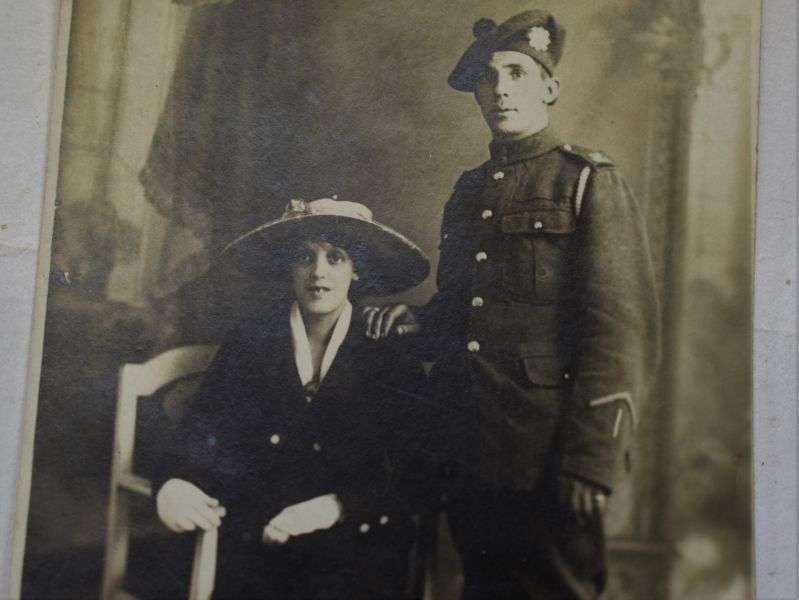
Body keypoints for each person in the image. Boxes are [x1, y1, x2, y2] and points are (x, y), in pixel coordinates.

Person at [366, 9, 660, 600]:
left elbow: (620, 329)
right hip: (469, 443)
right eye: (489, 77)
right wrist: (419, 319)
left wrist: (591, 458)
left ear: (549, 87)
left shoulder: (585, 182)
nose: (501, 89)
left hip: (548, 453)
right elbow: (464, 307)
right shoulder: (468, 191)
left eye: (518, 74)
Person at [153, 197, 437, 599]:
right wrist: (173, 481)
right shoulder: (252, 339)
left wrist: (336, 507)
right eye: (306, 257)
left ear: (357, 271)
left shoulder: (387, 349)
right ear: (289, 266)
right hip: (259, 534)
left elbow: (420, 468)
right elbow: (202, 428)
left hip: (354, 539)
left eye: (336, 258)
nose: (318, 272)